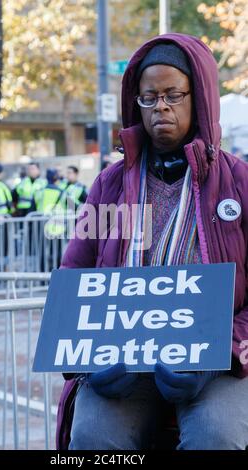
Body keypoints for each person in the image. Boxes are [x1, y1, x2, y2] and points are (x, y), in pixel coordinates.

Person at [56, 33, 248, 450]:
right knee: (91, 437)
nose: (161, 106)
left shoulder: (239, 182)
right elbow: (74, 275)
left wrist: (225, 349)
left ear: (198, 98)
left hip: (216, 360)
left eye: (173, 94)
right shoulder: (109, 183)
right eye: (149, 97)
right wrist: (90, 357)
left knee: (217, 437)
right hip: (123, 355)